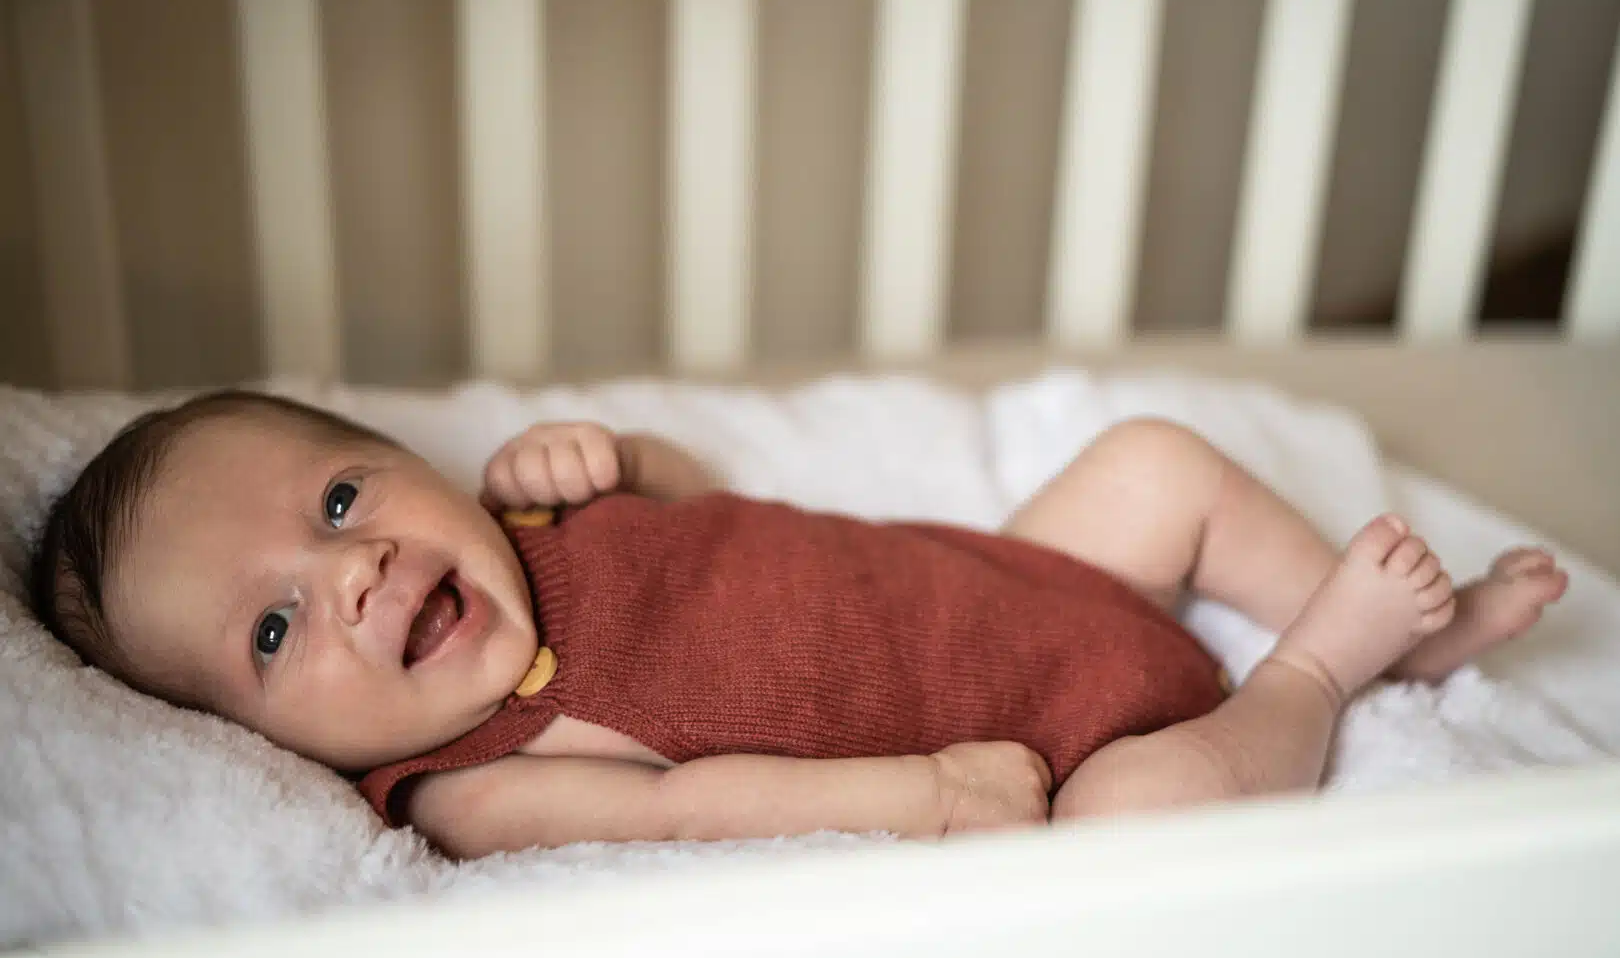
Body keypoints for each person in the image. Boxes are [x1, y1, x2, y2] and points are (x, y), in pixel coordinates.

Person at [28, 390, 1565, 859]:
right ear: (249, 742)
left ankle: (1410, 646)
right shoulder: (477, 778)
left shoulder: (534, 520)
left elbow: (704, 514)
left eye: (343, 501)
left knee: (1153, 465)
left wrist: (627, 464)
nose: (347, 576)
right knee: (1141, 812)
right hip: (1054, 737)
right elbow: (692, 807)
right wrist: (920, 794)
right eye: (277, 633)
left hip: (1007, 574)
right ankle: (1319, 664)